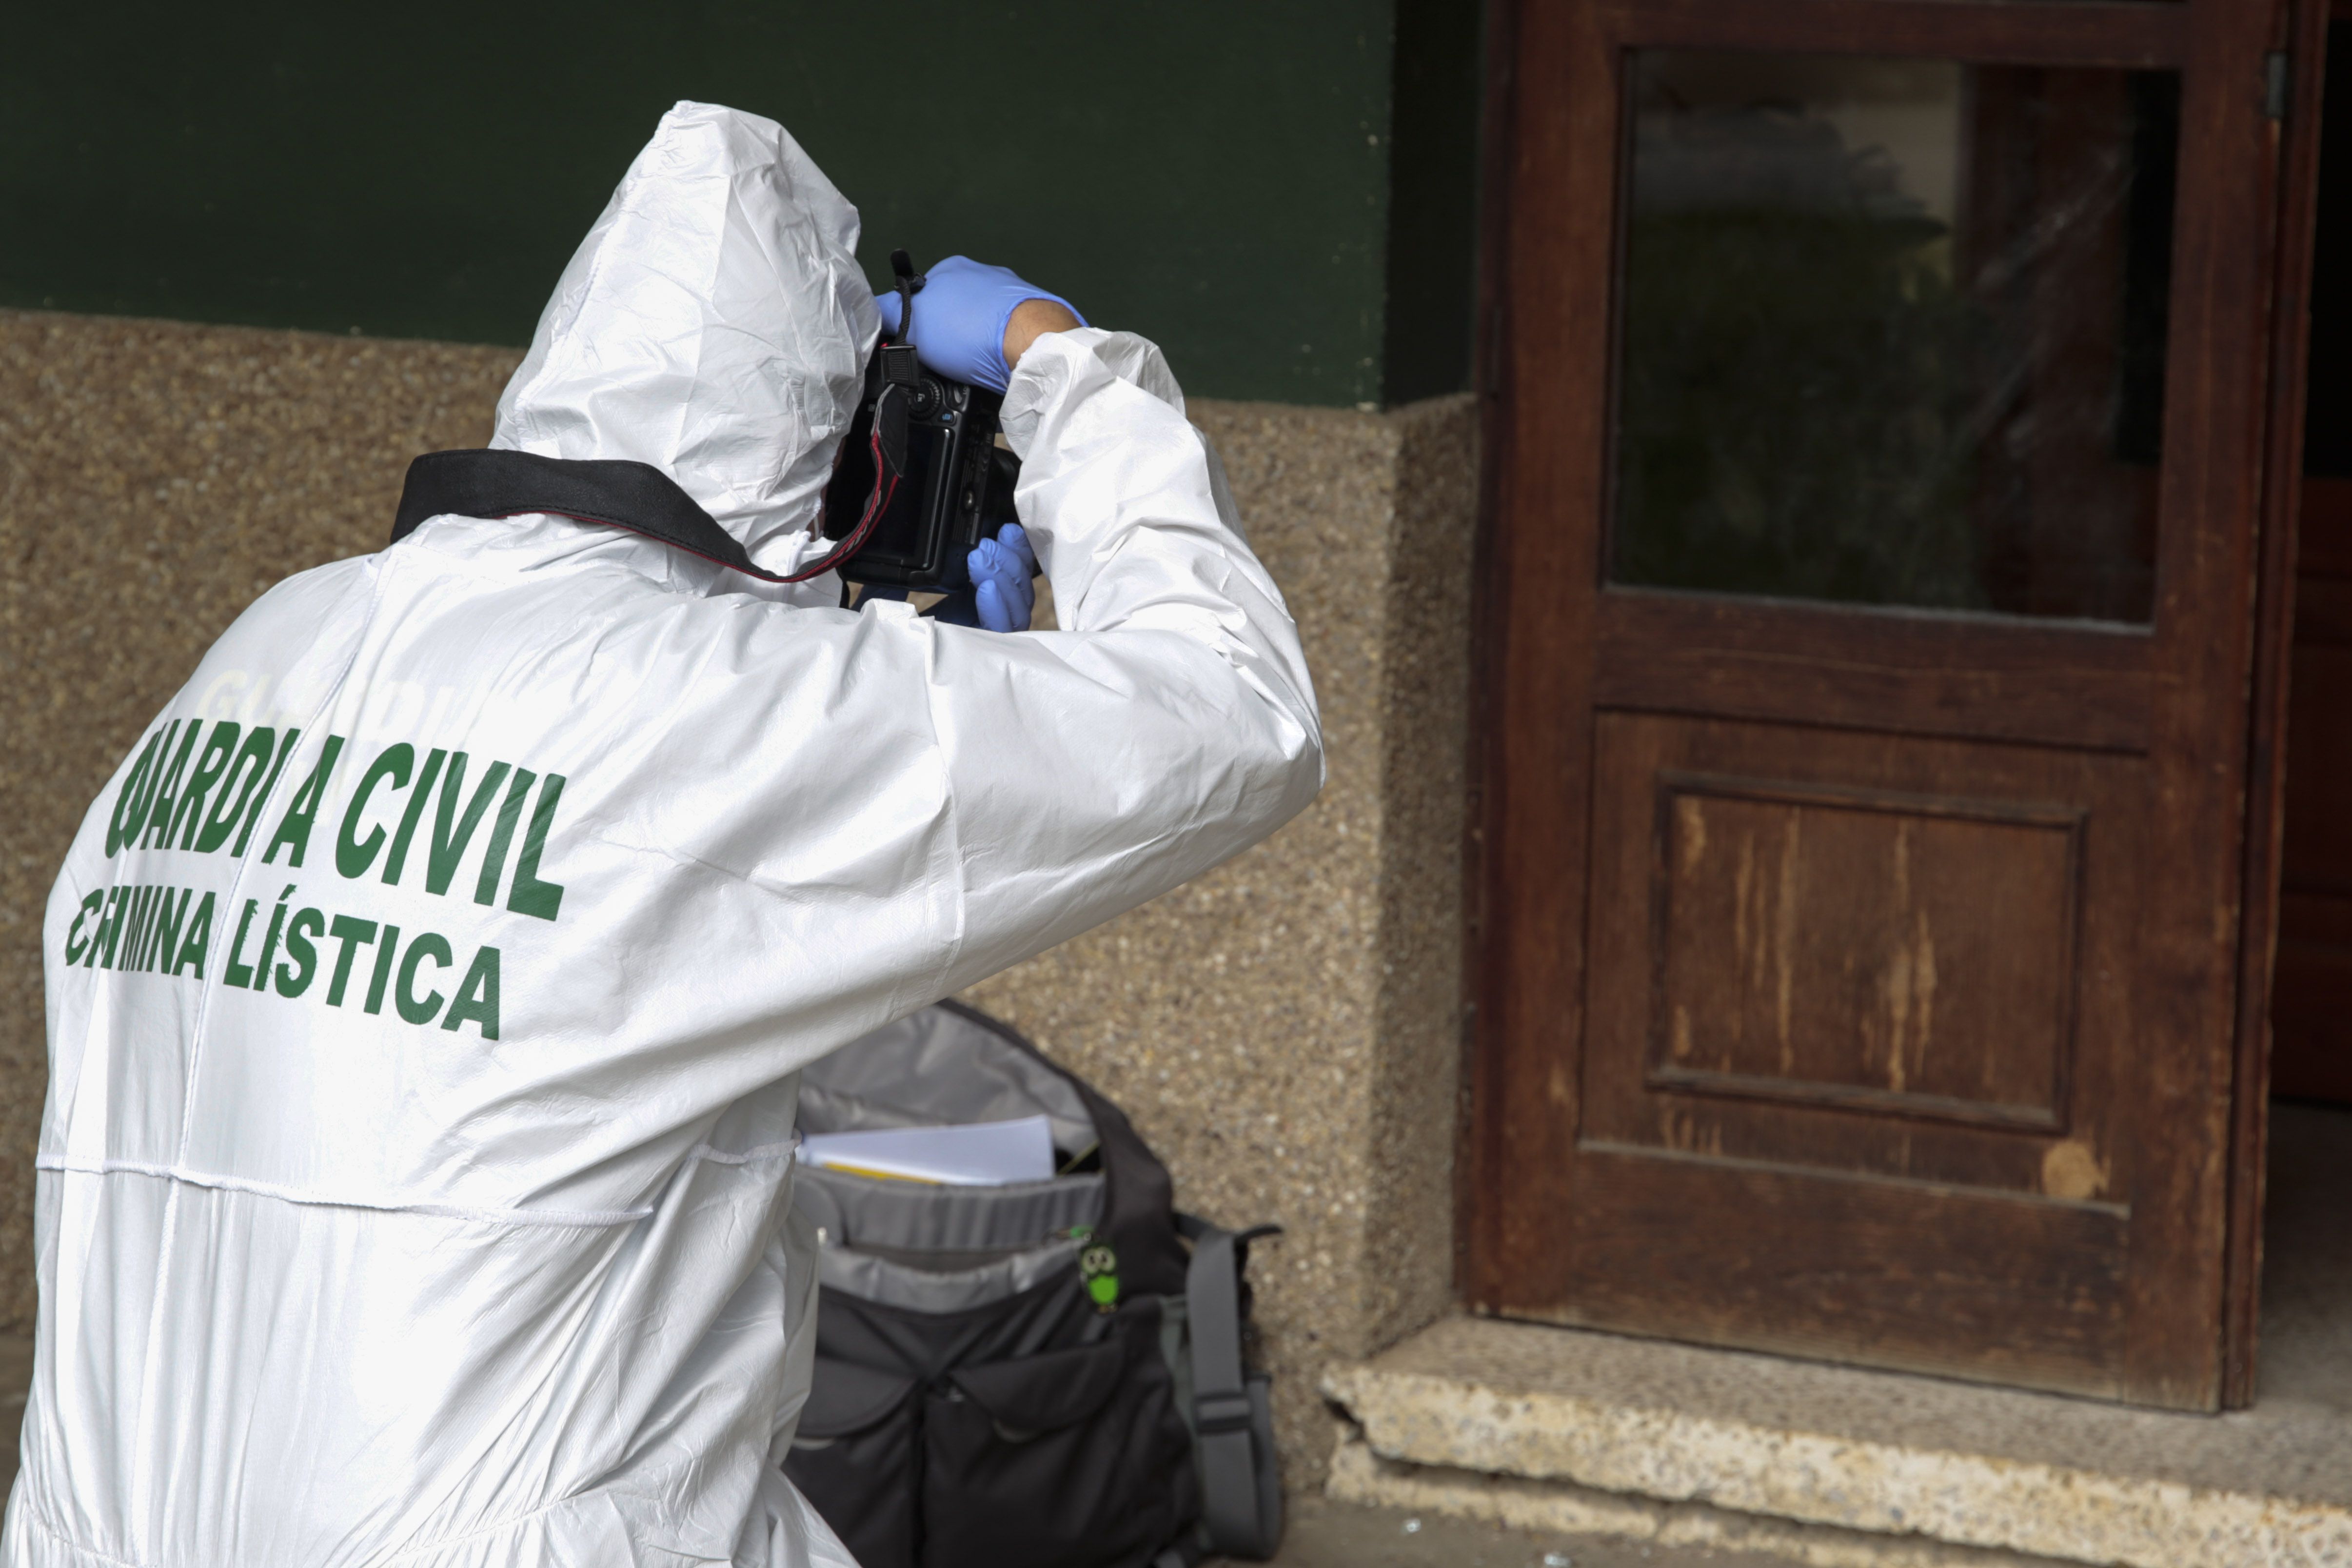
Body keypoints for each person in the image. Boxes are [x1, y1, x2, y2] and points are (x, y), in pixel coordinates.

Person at [9, 101, 1321, 1568]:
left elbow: (540, 1041)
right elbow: (1237, 705)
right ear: (812, 477)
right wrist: (1060, 365)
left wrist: (873, 689)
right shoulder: (719, 705)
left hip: (100, 1525)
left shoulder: (265, 648)